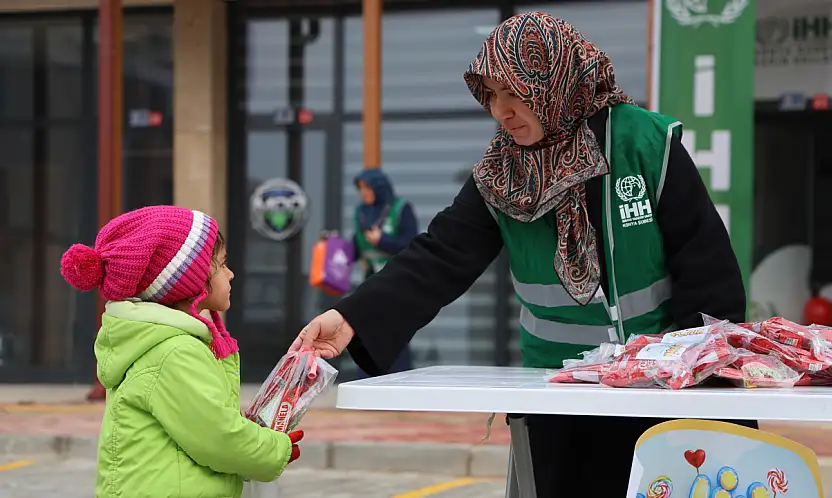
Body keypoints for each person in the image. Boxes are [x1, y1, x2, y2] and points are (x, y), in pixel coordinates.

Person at [290, 12, 756, 497]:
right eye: (491, 95)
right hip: (555, 395)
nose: (500, 111)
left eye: (513, 92)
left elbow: (707, 270)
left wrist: (704, 386)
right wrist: (350, 318)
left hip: (658, 395)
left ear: (551, 80)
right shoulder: (502, 172)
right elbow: (440, 255)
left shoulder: (643, 143)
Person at [60, 206, 303, 498]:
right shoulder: (175, 351)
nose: (231, 274)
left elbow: (203, 420)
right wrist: (275, 448)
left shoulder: (171, 343)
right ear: (188, 279)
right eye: (222, 264)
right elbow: (217, 438)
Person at [351, 168, 419, 374]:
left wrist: (383, 241)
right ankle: (366, 383)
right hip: (371, 281)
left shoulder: (401, 209)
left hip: (397, 281)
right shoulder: (362, 212)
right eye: (360, 188)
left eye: (367, 187)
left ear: (379, 188)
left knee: (395, 332)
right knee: (366, 332)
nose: (363, 193)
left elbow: (411, 244)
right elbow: (357, 245)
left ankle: (399, 385)